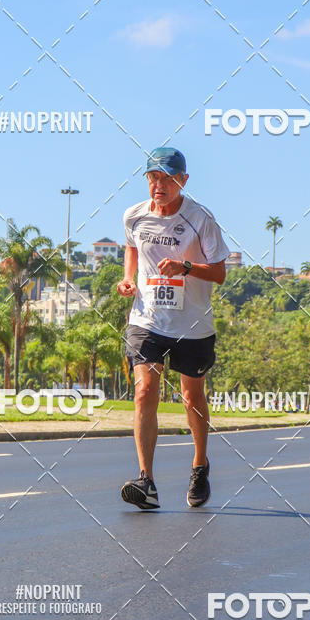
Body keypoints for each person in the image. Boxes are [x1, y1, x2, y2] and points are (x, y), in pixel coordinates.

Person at [117, 147, 229, 509]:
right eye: (153, 177)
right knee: (144, 389)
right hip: (147, 318)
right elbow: (132, 248)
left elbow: (220, 273)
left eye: (166, 178)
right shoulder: (134, 216)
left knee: (191, 398)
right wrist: (128, 279)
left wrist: (185, 268)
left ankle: (199, 465)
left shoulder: (201, 219)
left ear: (183, 180)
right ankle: (146, 479)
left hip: (191, 324)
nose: (158, 185)